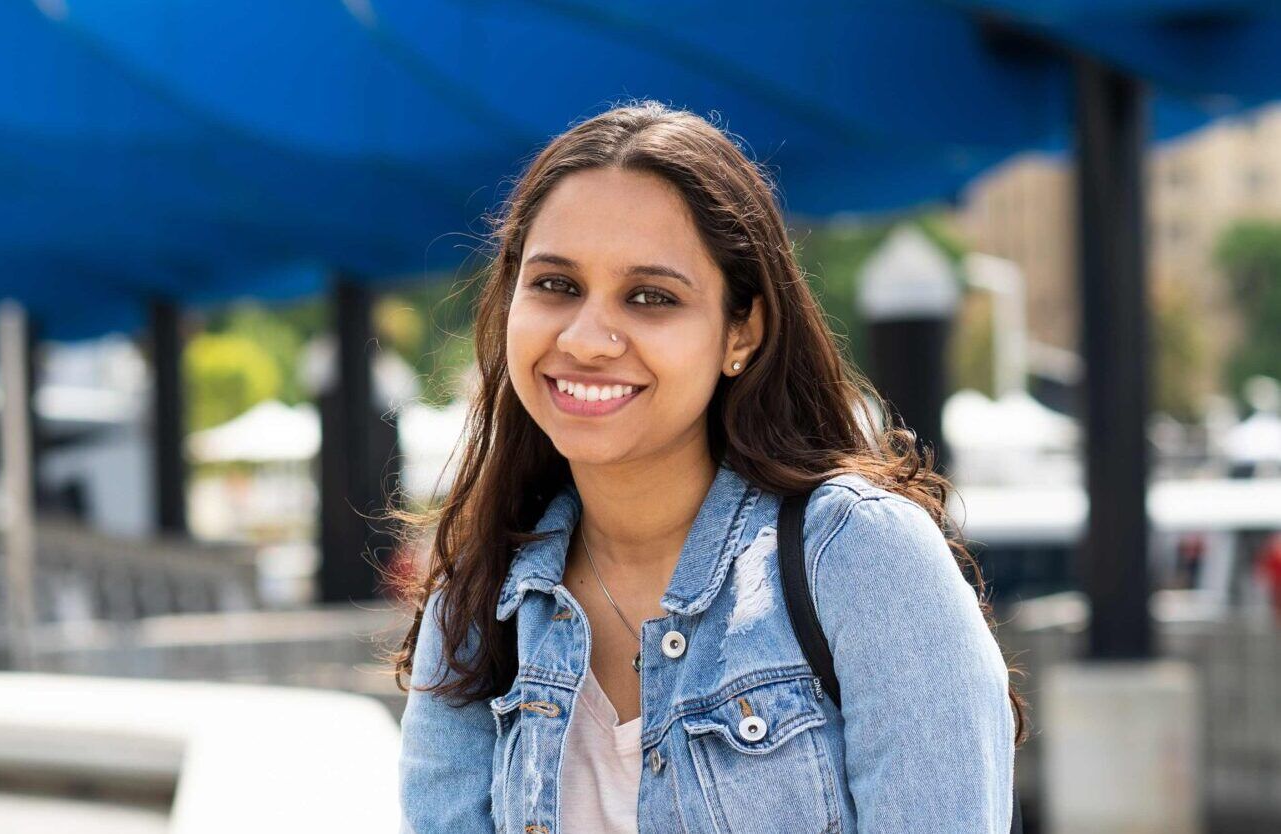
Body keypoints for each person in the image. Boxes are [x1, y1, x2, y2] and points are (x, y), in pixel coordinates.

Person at [391, 99, 1027, 833]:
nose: (588, 337)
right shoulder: (474, 605)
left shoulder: (860, 559)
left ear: (741, 331)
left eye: (650, 298)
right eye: (556, 285)